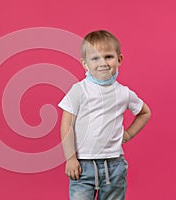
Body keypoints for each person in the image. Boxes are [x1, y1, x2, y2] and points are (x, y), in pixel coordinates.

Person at [58, 30, 151, 200]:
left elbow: (145, 112)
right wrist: (70, 158)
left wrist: (128, 134)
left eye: (108, 56)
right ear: (85, 64)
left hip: (114, 166)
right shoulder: (79, 90)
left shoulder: (124, 93)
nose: (103, 63)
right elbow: (66, 125)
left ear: (119, 59)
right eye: (95, 58)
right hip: (83, 166)